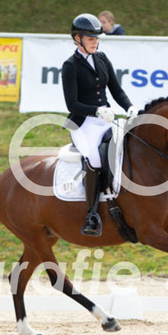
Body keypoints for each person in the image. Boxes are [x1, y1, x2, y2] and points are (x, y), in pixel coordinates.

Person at [62, 13, 138, 236]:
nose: (95, 41)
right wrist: (96, 110)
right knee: (95, 159)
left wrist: (129, 106)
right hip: (83, 123)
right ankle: (92, 213)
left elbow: (116, 90)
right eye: (90, 38)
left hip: (106, 119)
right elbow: (72, 104)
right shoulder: (70, 66)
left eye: (96, 38)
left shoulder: (102, 58)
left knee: (126, 147)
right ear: (77, 38)